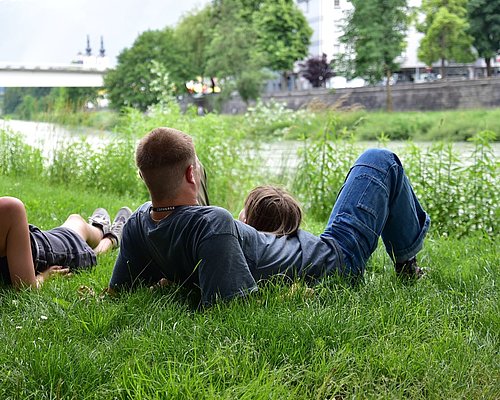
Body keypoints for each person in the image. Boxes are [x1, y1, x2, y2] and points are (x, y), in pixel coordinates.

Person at [109, 127, 430, 306]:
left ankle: (406, 262)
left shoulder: (138, 223)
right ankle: (406, 263)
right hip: (336, 260)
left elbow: (118, 293)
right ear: (192, 174)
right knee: (380, 159)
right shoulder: (212, 222)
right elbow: (231, 307)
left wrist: (169, 282)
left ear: (143, 177)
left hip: (297, 246)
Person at [0, 196, 131, 288]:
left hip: (40, 243)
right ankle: (111, 237)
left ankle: (100, 227)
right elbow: (26, 288)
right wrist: (45, 276)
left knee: (75, 222)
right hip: (48, 252)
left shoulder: (9, 208)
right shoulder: (10, 208)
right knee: (88, 248)